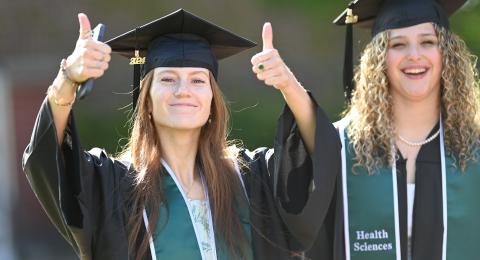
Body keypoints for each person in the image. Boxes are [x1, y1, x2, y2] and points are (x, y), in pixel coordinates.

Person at [22, 9, 339, 260]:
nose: (183, 91)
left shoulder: (250, 181)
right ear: (146, 100)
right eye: (169, 79)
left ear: (213, 102)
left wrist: (288, 84)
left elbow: (318, 153)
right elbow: (47, 160)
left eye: (198, 81)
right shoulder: (113, 187)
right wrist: (67, 79)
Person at [305, 0, 480, 259]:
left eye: (428, 42)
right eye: (398, 44)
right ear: (378, 59)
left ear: (447, 53)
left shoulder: (474, 148)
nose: (414, 55)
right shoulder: (342, 147)